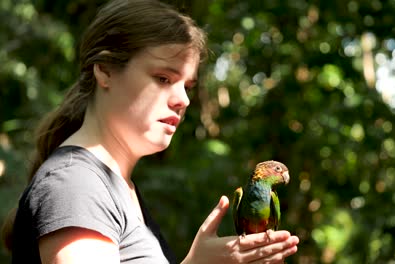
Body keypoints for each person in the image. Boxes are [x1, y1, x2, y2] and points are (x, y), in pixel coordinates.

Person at [1, 0, 299, 263]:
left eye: (188, 86)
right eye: (163, 78)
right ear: (104, 70)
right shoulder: (77, 186)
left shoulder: (114, 186)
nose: (183, 99)